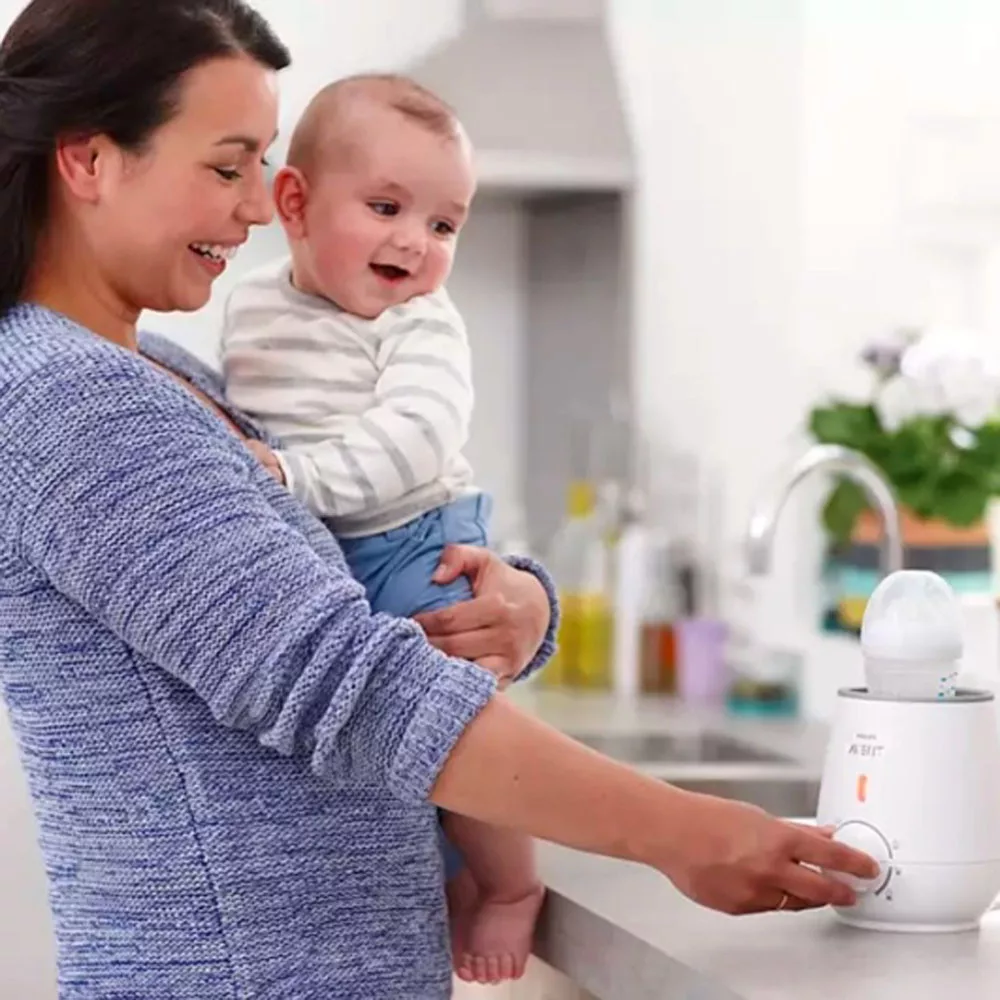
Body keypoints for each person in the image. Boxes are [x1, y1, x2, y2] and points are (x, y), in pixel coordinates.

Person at [0, 1, 878, 998]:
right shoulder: (67, 399)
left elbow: (340, 580)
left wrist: (521, 604)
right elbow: (349, 684)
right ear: (89, 160)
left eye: (260, 166)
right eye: (227, 166)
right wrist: (682, 830)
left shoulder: (162, 373)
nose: (257, 209)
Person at [218, 73, 542, 984]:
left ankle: (510, 882)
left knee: (454, 723)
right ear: (295, 203)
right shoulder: (251, 303)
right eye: (387, 207)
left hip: (412, 537)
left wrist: (296, 479)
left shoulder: (420, 322)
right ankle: (448, 879)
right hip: (331, 548)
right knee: (379, 751)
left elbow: (418, 436)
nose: (415, 242)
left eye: (443, 224)